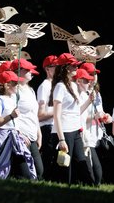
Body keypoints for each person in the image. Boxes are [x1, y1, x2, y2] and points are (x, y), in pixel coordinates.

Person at [49, 53, 95, 185]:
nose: (76, 67)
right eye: (73, 65)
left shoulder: (74, 85)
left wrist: (89, 102)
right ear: (66, 68)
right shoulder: (60, 87)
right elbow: (57, 115)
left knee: (81, 160)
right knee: (65, 167)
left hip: (75, 130)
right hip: (65, 132)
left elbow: (76, 112)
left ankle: (90, 188)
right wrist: (61, 139)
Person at [0, 70, 37, 179]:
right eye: (15, 83)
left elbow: (14, 124)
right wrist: (11, 116)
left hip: (15, 139)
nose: (18, 85)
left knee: (24, 172)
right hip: (2, 140)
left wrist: (20, 134)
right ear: (6, 85)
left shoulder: (12, 100)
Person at [76, 66, 111, 185]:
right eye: (91, 74)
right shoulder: (80, 93)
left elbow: (99, 112)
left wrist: (106, 117)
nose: (94, 77)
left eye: (95, 74)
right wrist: (95, 117)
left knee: (97, 171)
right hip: (87, 136)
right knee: (96, 172)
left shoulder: (97, 93)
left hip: (98, 136)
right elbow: (78, 115)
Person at [10, 58, 43, 180]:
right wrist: (19, 133)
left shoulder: (31, 90)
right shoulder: (14, 90)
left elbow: (34, 114)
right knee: (24, 174)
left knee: (39, 171)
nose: (31, 72)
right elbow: (11, 113)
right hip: (21, 136)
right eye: (28, 70)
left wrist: (39, 134)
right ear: (19, 71)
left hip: (32, 135)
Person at [36, 54, 57, 180]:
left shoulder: (57, 85)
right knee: (48, 160)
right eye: (55, 67)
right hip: (47, 128)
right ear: (47, 69)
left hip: (55, 126)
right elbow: (40, 115)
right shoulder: (44, 86)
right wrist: (58, 111)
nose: (58, 69)